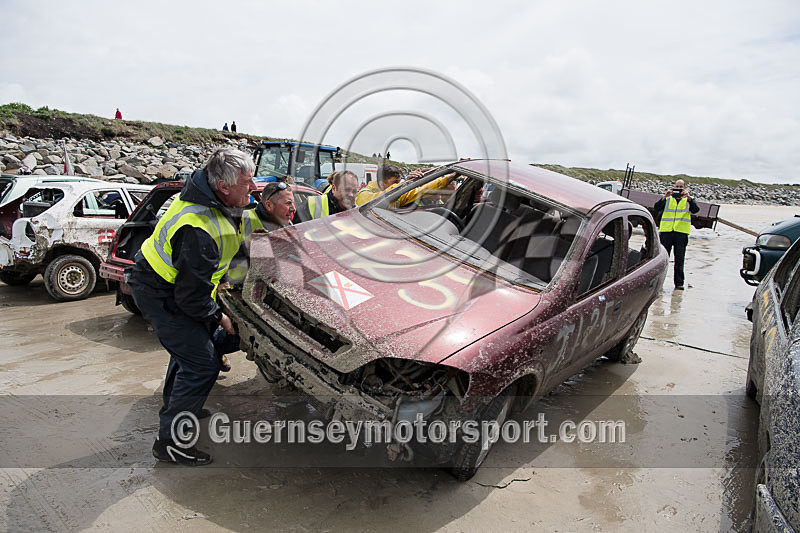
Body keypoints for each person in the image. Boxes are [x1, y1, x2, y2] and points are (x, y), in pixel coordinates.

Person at [126, 147, 257, 466]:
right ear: (223, 186)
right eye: (246, 183)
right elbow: (191, 297)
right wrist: (220, 318)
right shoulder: (196, 225)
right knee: (202, 362)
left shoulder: (218, 199)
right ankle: (170, 442)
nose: (252, 188)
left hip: (177, 286)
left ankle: (183, 405)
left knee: (187, 354)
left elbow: (230, 249)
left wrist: (228, 281)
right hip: (161, 291)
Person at [654, 179, 699, 290]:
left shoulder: (689, 200)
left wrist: (689, 199)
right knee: (663, 259)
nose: (678, 189)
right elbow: (657, 207)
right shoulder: (668, 199)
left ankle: (679, 283)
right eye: (677, 187)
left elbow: (695, 210)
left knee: (679, 260)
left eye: (681, 187)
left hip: (681, 233)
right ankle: (659, 282)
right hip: (666, 232)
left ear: (685, 188)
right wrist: (665, 196)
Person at [354, 164, 454, 207]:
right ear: (381, 184)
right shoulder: (364, 194)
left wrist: (452, 175)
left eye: (399, 181)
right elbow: (382, 196)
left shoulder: (398, 195)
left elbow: (423, 190)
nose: (398, 185)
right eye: (395, 182)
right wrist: (404, 184)